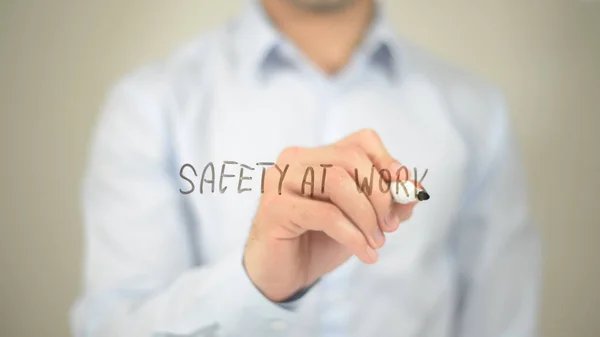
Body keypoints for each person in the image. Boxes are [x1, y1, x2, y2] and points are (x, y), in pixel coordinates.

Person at [70, 0, 543, 336]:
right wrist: (255, 286)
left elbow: (501, 323)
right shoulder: (151, 106)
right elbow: (113, 327)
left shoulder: (478, 115)